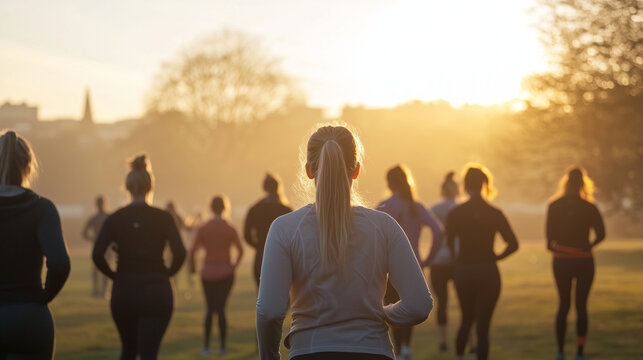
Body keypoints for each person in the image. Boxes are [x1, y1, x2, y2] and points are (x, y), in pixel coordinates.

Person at [256, 125, 433, 360]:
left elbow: (269, 312)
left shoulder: (285, 228)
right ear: (357, 170)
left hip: (309, 351)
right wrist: (380, 314)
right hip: (373, 351)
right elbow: (419, 305)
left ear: (309, 170)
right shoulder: (383, 227)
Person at [92, 155, 186, 360]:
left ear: (127, 187)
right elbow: (180, 252)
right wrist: (166, 274)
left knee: (128, 349)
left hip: (124, 289)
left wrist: (114, 276)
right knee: (149, 353)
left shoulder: (115, 219)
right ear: (150, 186)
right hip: (157, 289)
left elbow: (97, 254)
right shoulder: (163, 218)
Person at [0, 129, 71, 359]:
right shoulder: (42, 209)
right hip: (31, 317)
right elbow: (59, 263)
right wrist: (44, 296)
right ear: (28, 167)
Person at [446, 164, 519, 360]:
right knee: (483, 327)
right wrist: (496, 257)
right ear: (485, 184)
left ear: (465, 185)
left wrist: (456, 260)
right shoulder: (494, 213)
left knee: (466, 320)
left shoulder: (456, 214)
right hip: (488, 271)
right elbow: (513, 244)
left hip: (465, 271)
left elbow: (449, 243)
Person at [376, 164, 443, 360]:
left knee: (391, 306)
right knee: (411, 304)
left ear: (389, 182)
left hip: (387, 267)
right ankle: (406, 347)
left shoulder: (384, 206)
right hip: (414, 265)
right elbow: (438, 232)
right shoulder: (417, 206)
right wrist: (428, 259)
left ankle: (398, 350)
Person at [547, 166, 605, 360]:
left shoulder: (554, 206)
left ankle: (560, 351)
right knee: (581, 306)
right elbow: (601, 234)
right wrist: (588, 246)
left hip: (561, 260)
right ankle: (579, 352)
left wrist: (560, 247)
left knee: (563, 305)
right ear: (583, 183)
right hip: (584, 261)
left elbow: (549, 240)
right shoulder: (589, 207)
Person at [190, 195, 244, 357]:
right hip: (226, 273)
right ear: (225, 208)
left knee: (209, 309)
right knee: (221, 309)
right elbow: (241, 251)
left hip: (207, 273)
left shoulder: (204, 228)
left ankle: (206, 347)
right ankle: (222, 347)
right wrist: (233, 266)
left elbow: (192, 251)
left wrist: (195, 268)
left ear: (211, 208)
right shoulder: (230, 228)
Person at [428, 171, 464, 352]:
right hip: (459, 259)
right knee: (466, 302)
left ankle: (443, 341)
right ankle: (471, 342)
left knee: (441, 301)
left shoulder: (434, 209)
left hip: (438, 260)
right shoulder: (461, 208)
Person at [244, 173, 292, 288]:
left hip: (261, 255)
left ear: (264, 188)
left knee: (262, 296)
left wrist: (258, 246)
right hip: (282, 257)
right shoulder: (286, 210)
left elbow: (246, 235)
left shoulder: (254, 209)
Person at [82, 195, 110, 297]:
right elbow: (84, 233)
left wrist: (93, 239)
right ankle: (101, 291)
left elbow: (84, 233)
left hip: (101, 246)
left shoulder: (95, 218)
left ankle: (98, 291)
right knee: (101, 269)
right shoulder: (107, 217)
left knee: (97, 269)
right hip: (104, 246)